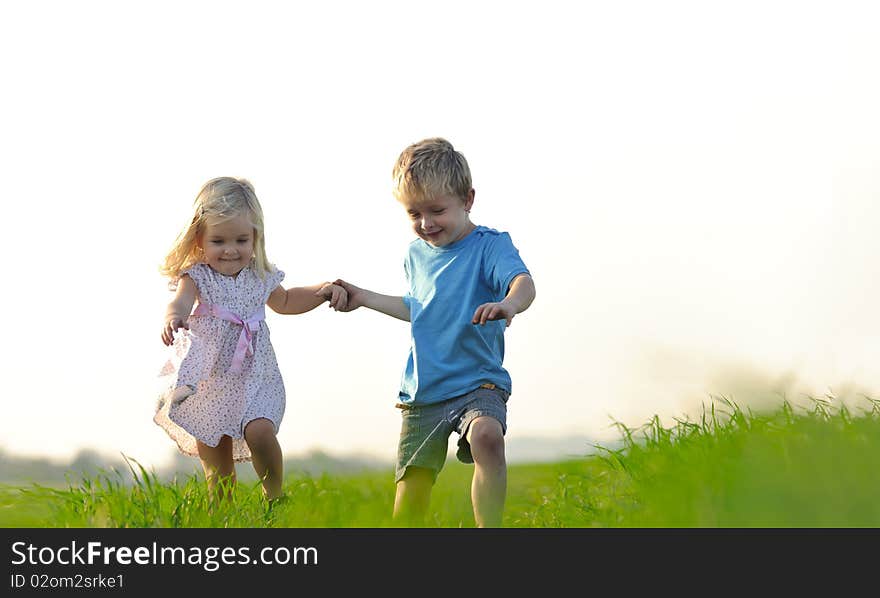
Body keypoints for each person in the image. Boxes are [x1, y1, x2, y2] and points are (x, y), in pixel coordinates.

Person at [335, 138, 536, 527]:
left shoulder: (490, 246)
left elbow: (523, 283)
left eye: (437, 210)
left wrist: (509, 304)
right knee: (411, 494)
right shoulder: (415, 254)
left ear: (468, 199)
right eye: (414, 213)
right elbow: (420, 309)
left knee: (487, 438)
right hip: (424, 389)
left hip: (479, 382)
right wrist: (363, 297)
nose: (426, 223)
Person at [153, 176, 347, 503]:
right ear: (200, 238)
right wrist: (174, 316)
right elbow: (181, 301)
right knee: (218, 466)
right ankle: (225, 518)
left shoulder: (260, 275)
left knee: (259, 430)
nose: (231, 250)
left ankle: (274, 497)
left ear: (255, 237)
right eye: (219, 241)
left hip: (257, 377)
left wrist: (321, 291)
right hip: (211, 382)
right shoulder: (198, 275)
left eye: (241, 240)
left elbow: (286, 302)